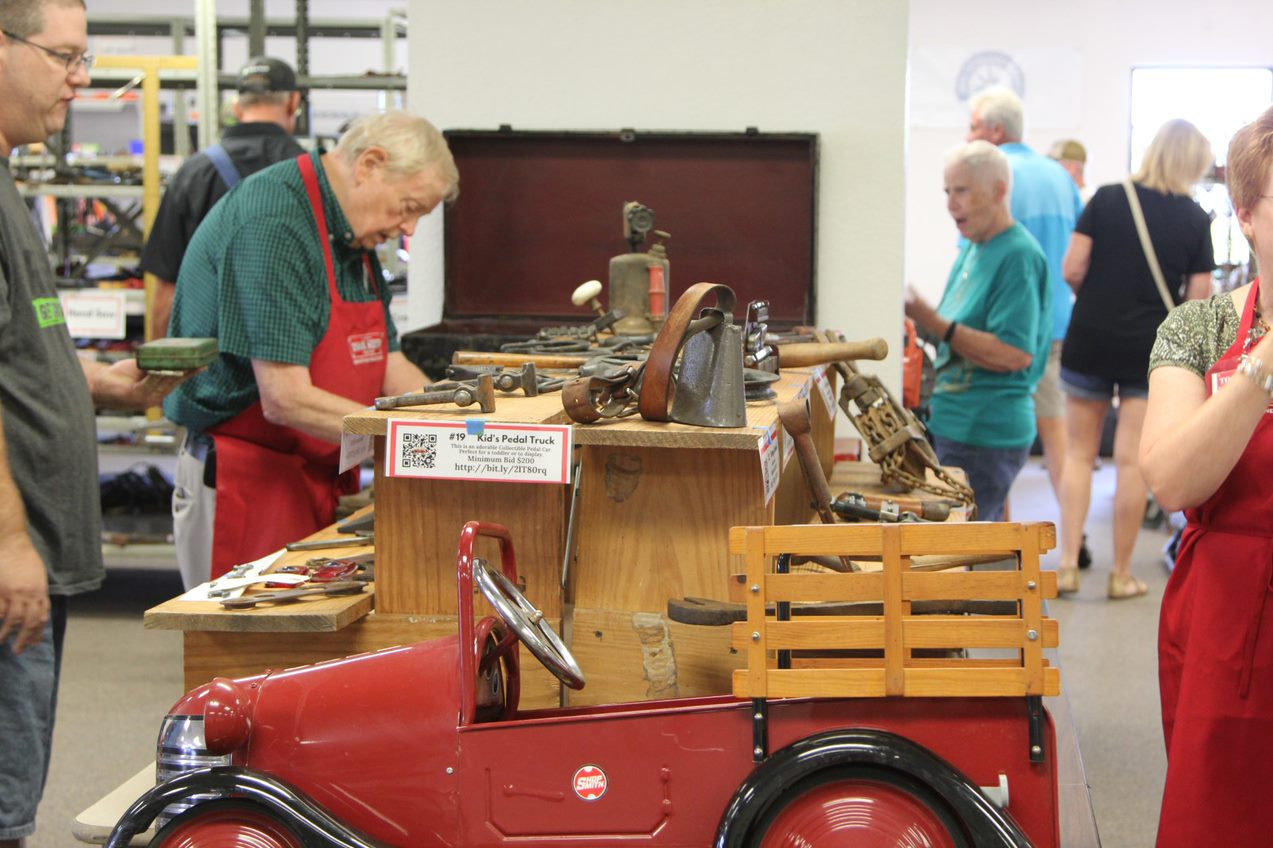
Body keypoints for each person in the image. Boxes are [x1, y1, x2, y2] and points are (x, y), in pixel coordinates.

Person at [0, 3, 190, 845]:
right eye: (66, 57)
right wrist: (8, 544)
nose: (81, 79)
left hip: (37, 542)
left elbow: (23, 346)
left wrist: (104, 385)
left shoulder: (9, 181)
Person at [165, 110, 457, 590]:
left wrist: (463, 427)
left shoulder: (350, 234)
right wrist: (417, 444)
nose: (409, 229)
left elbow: (388, 361)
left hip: (312, 477)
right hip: (248, 484)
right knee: (247, 660)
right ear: (370, 165)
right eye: (409, 207)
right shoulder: (275, 223)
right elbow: (285, 398)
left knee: (310, 662)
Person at [1139, 103, 1273, 847]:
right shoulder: (1198, 330)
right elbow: (1173, 481)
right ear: (1246, 215)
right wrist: (1265, 357)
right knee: (1223, 816)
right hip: (1232, 628)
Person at [1056, 119, 1214, 598]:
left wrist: (1101, 300)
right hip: (1153, 349)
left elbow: (1072, 268)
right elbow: (1199, 299)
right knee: (1131, 463)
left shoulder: (1106, 198)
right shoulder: (1194, 218)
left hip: (1090, 338)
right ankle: (1121, 574)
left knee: (1080, 455)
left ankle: (1065, 566)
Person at [905, 140, 1052, 521]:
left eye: (962, 191)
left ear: (999, 191)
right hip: (956, 421)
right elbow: (953, 332)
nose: (951, 203)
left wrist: (933, 320)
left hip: (985, 431)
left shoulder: (1018, 255)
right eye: (947, 192)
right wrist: (919, 320)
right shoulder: (974, 248)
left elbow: (1013, 353)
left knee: (955, 552)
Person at [967, 88, 1083, 528]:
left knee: (994, 439)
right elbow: (1078, 257)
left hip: (999, 332)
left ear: (996, 130)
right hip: (1053, 326)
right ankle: (1074, 544)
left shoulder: (988, 178)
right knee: (1058, 439)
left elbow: (974, 260)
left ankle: (998, 538)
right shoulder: (1060, 178)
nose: (970, 134)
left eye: (975, 125)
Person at [139, 56, 305, 338]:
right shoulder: (314, 173)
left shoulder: (193, 173)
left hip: (211, 358)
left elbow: (168, 288)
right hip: (294, 348)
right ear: (293, 103)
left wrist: (162, 369)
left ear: (238, 108)